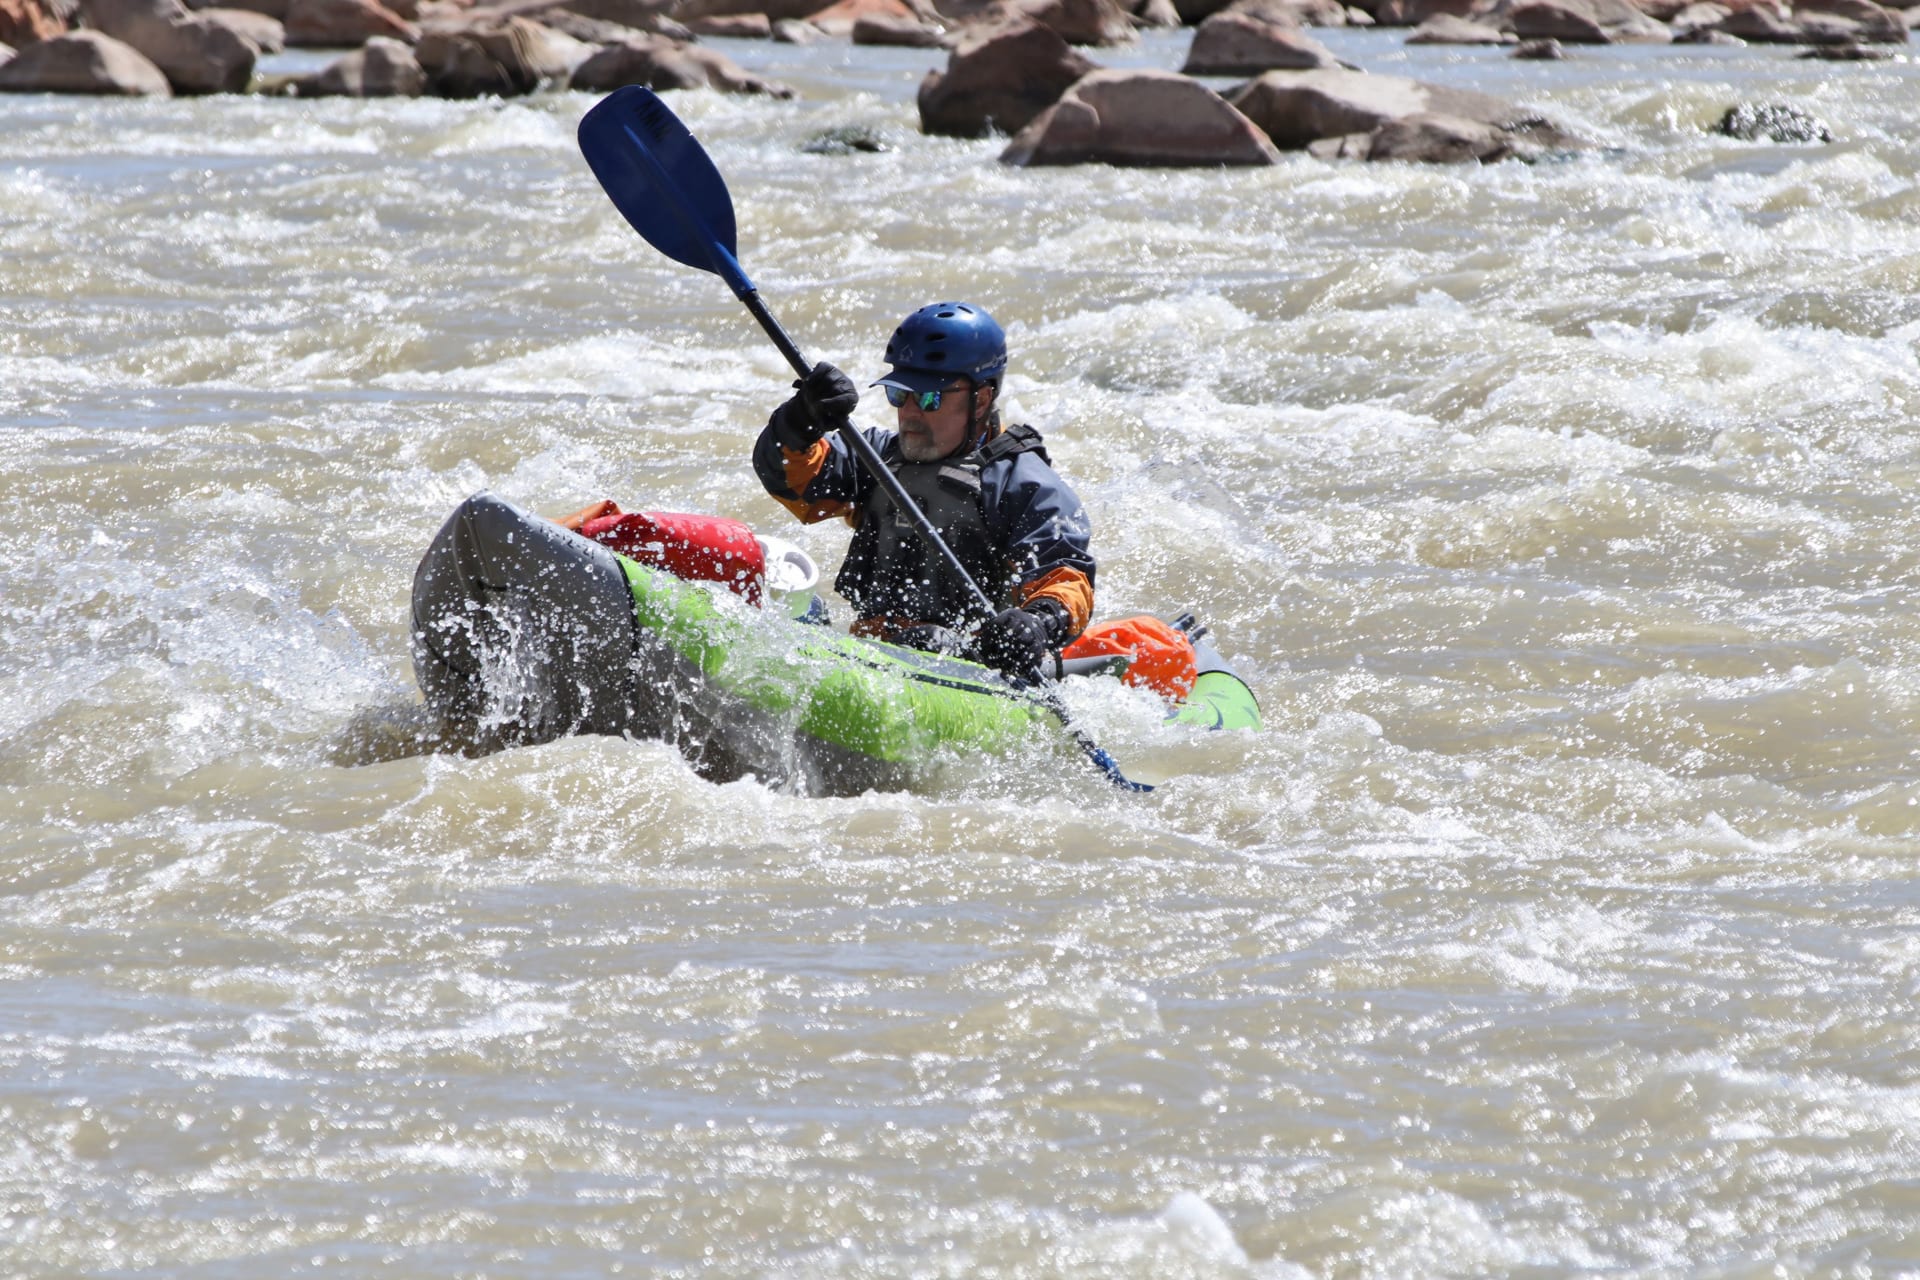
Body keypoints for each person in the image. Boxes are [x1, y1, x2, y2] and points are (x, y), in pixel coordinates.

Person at [751, 301, 1095, 678]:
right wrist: (799, 419)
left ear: (980, 399)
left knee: (935, 642)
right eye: (899, 395)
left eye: (930, 397)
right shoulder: (877, 456)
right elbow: (792, 482)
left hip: (969, 667)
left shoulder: (1024, 484)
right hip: (873, 652)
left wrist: (1037, 622)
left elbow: (1067, 580)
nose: (910, 412)